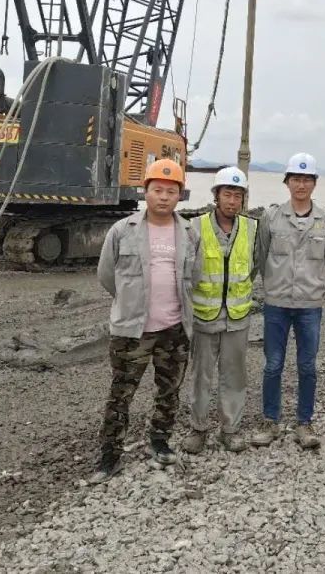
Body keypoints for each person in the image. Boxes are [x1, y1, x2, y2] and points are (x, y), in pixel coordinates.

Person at [89, 158, 200, 484]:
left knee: (169, 390)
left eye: (171, 191)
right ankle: (110, 455)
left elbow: (194, 276)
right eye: (157, 190)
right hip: (131, 330)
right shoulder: (122, 230)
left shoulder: (189, 233)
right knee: (121, 394)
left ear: (180, 195)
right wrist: (130, 302)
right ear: (145, 191)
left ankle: (160, 441)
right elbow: (106, 274)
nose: (164, 197)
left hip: (174, 329)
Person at [251, 152, 325, 450]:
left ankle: (304, 422)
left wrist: (311, 284)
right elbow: (262, 256)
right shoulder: (271, 217)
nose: (301, 185)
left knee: (308, 366)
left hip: (309, 305)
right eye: (296, 179)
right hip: (276, 303)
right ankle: (270, 420)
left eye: (306, 179)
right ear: (287, 182)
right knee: (273, 365)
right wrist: (274, 284)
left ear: (314, 183)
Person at [182, 167, 259, 455]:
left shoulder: (251, 228)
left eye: (238, 196)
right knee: (201, 376)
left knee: (234, 375)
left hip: (237, 318)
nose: (232, 201)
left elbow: (255, 266)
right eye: (227, 194)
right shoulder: (195, 227)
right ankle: (198, 428)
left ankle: (230, 429)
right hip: (204, 317)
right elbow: (187, 271)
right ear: (216, 195)